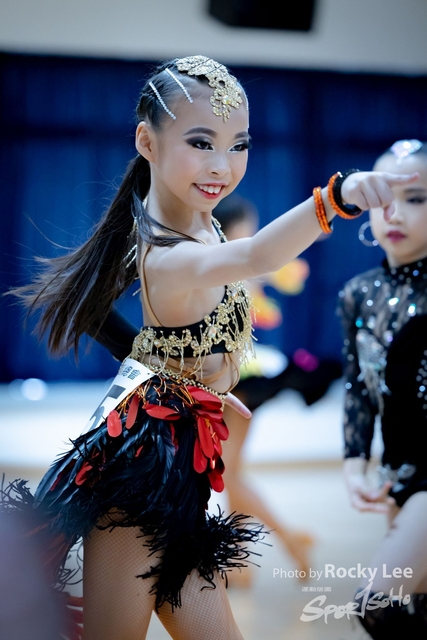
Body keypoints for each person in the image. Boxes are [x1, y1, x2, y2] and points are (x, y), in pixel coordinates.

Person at [0, 56, 415, 640]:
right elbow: (258, 255)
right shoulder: (169, 253)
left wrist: (184, 382)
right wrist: (335, 197)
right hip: (139, 475)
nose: (223, 165)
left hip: (182, 462)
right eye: (201, 143)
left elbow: (105, 316)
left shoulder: (202, 224)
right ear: (147, 142)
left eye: (238, 145)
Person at [338, 139, 427, 638]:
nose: (395, 213)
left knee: (377, 602)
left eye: (416, 198)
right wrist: (354, 463)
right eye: (383, 199)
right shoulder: (358, 294)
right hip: (397, 471)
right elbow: (358, 384)